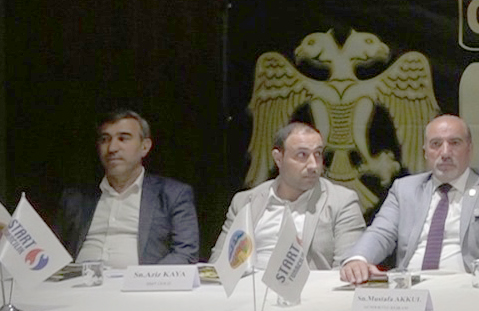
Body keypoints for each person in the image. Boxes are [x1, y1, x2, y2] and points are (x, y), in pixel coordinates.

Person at [340, 114, 479, 283]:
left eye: (455, 143)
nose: (445, 153)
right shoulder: (404, 189)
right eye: (436, 144)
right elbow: (381, 233)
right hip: (410, 289)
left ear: (470, 149)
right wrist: (358, 259)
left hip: (469, 289)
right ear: (425, 152)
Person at [210, 121, 365, 270]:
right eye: (302, 155)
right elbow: (219, 265)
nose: (313, 165)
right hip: (248, 286)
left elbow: (347, 268)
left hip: (310, 287)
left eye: (318, 154)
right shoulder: (245, 202)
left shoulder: (342, 202)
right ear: (278, 158)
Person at [56, 109, 199, 266]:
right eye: (105, 139)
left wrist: (145, 278)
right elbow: (53, 251)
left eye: (123, 138)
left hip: (140, 280)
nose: (112, 148)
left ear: (145, 147)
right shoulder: (75, 197)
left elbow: (185, 253)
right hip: (79, 279)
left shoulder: (173, 194)